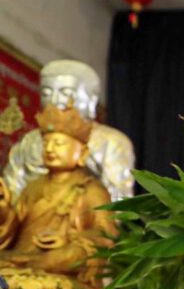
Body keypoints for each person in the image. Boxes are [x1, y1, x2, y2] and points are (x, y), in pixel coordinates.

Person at [0, 104, 115, 288]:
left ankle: (32, 266)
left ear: (82, 153)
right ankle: (27, 266)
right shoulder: (33, 186)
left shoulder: (92, 190)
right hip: (23, 254)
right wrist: (4, 209)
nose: (49, 149)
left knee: (74, 254)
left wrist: (68, 238)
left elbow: (106, 234)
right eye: (46, 143)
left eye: (58, 143)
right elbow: (14, 228)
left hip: (60, 257)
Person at [4, 59, 135, 201]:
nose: (55, 101)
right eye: (47, 93)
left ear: (92, 100)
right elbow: (12, 191)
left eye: (66, 93)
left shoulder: (111, 142)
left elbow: (120, 201)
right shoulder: (30, 141)